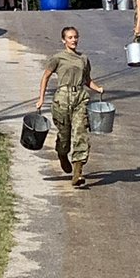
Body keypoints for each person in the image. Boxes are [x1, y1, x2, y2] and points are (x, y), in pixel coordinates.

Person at [36, 25, 104, 187]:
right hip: (62, 99)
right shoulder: (58, 58)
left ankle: (78, 172)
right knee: (64, 135)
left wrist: (98, 88)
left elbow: (87, 80)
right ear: (63, 40)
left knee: (80, 133)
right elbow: (45, 77)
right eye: (70, 37)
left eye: (75, 37)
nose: (74, 40)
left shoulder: (84, 59)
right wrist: (41, 99)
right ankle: (62, 154)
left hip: (80, 97)